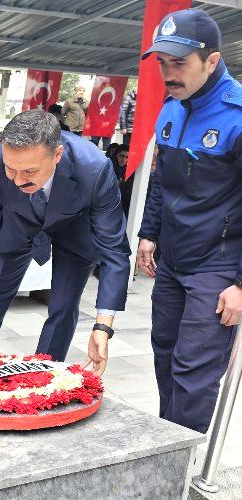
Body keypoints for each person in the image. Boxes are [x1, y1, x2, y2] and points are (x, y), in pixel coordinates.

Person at [137, 9, 242, 434]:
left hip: (217, 270)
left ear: (212, 60)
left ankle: (179, 469)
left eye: (179, 62)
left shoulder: (237, 116)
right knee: (164, 354)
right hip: (172, 262)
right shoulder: (172, 108)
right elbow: (162, 180)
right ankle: (170, 444)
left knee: (193, 371)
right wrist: (148, 233)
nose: (168, 72)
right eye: (163, 62)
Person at [0, 109, 130, 374]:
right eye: (11, 169)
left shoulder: (94, 168)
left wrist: (103, 325)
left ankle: (42, 374)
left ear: (57, 155)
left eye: (30, 171)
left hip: (74, 227)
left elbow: (114, 249)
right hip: (19, 222)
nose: (18, 181)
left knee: (63, 305)